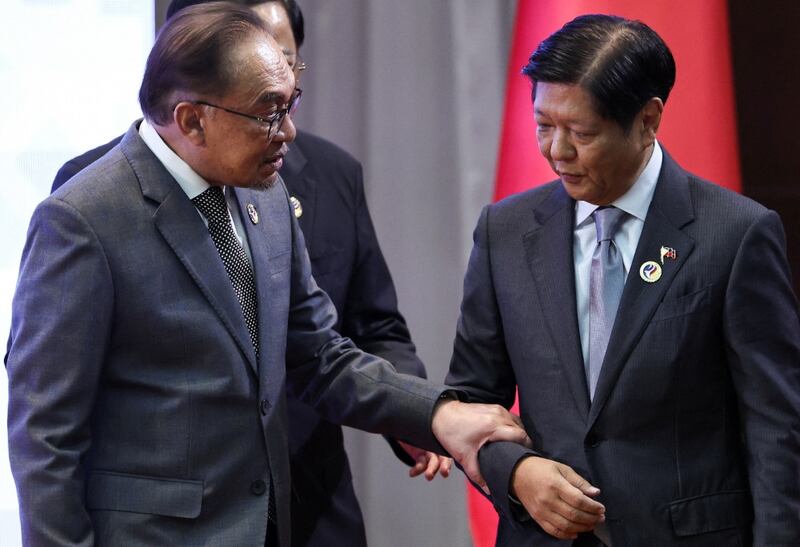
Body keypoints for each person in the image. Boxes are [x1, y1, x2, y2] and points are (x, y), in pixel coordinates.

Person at [6, 4, 531, 546]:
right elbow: (44, 436)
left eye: (290, 103)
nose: (290, 132)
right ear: (191, 120)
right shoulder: (82, 219)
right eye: (268, 113)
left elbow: (319, 357)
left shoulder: (268, 193)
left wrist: (437, 415)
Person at [446, 14, 800, 547]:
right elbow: (472, 398)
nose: (556, 152)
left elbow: (775, 427)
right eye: (544, 125)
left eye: (582, 133)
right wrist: (516, 473)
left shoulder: (736, 234)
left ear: (647, 120)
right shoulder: (506, 230)